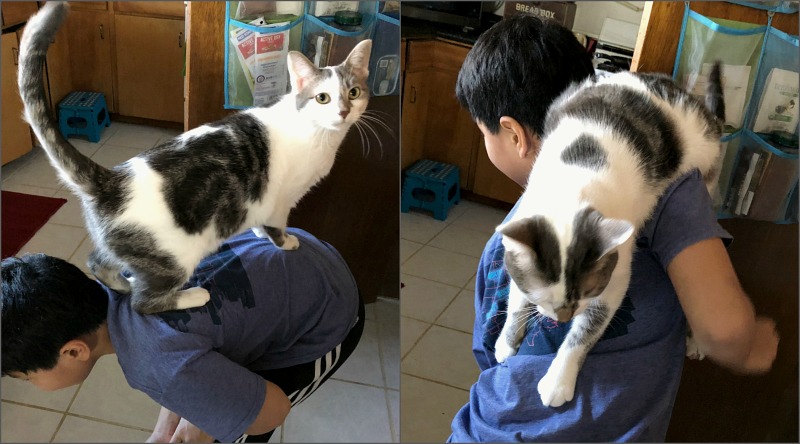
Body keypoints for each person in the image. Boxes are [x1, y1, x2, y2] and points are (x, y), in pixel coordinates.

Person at [449, 14, 779, 442]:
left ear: (512, 133)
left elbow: (490, 352)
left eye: (483, 134)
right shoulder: (670, 188)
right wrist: (751, 347)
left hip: (488, 428)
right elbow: (724, 329)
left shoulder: (508, 238)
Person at [2, 228, 364, 443]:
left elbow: (272, 411)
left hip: (327, 310)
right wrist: (168, 429)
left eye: (31, 377)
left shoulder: (154, 363)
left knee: (237, 428)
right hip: (291, 247)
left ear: (73, 351)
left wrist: (207, 421)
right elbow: (180, 350)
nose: (35, 384)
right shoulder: (116, 264)